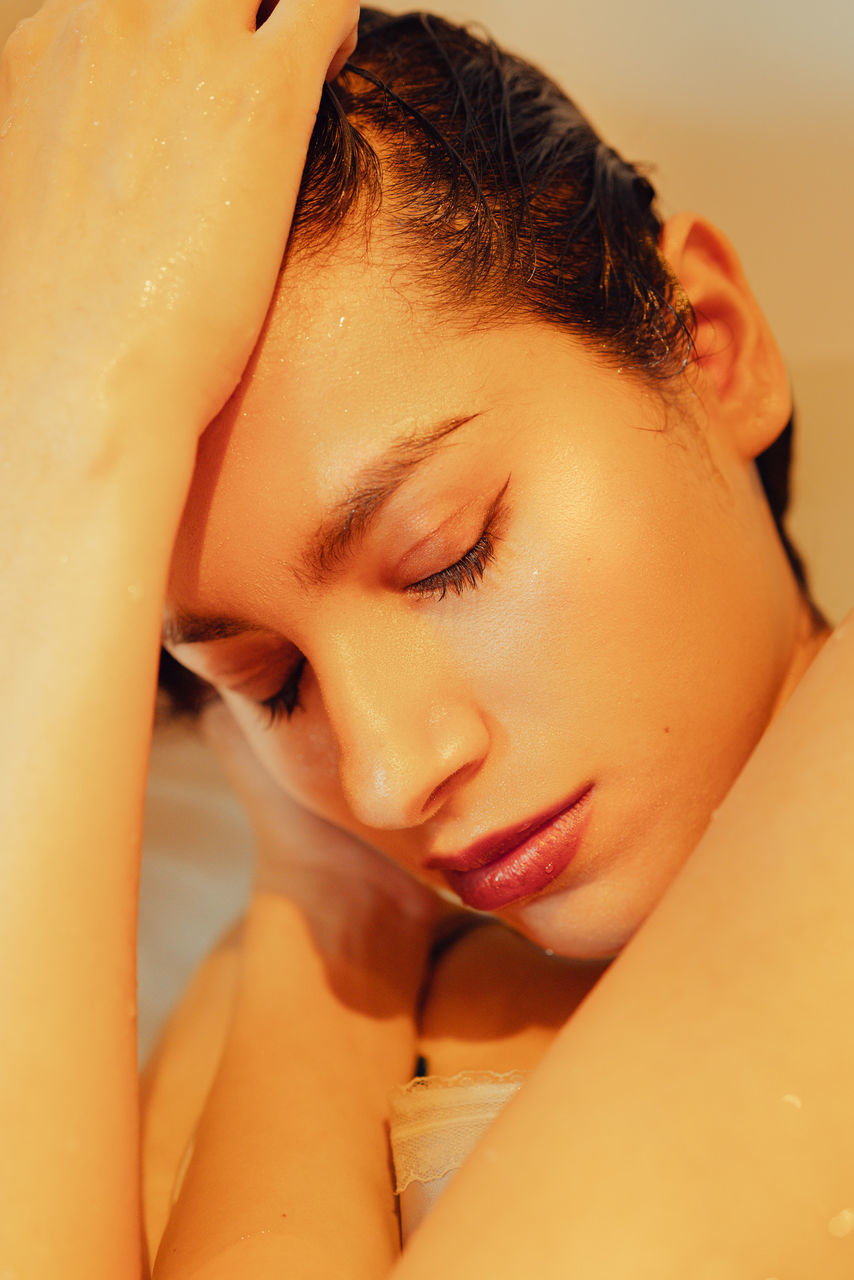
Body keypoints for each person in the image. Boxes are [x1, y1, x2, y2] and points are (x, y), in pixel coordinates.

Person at [1, 2, 852, 1278]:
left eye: (447, 552)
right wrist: (327, 918)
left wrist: (76, 422)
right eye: (272, 681)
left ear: (709, 348)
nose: (389, 773)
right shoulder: (286, 975)